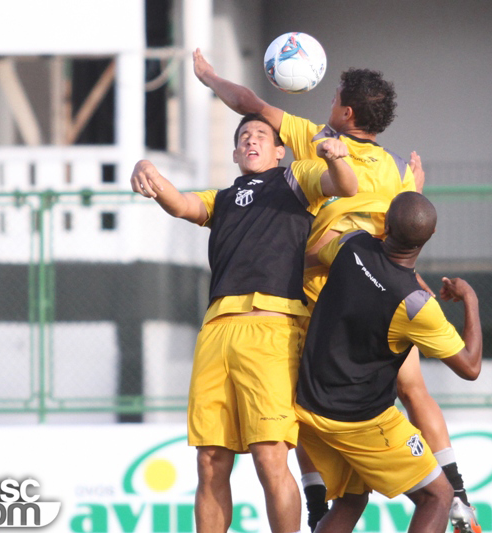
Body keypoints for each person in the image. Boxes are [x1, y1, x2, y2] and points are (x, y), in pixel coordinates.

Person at [193, 50, 480, 533]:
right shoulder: (393, 167)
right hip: (384, 290)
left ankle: (316, 504)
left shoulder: (314, 137)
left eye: (335, 97)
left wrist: (209, 77)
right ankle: (457, 496)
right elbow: (405, 235)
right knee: (412, 387)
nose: (328, 100)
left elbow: (248, 101)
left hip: (322, 285)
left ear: (346, 113)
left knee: (304, 399)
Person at [131, 113, 358, 533]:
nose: (251, 140)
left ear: (278, 150)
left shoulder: (295, 179)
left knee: (270, 454)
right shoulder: (221, 198)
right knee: (210, 460)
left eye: (261, 135)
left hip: (271, 330)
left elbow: (345, 186)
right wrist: (147, 170)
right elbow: (180, 203)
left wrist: (335, 157)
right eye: (243, 137)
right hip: (216, 330)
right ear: (235, 152)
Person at [295, 192, 483, 533]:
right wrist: (470, 297)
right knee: (439, 497)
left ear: (386, 224)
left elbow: (313, 258)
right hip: (359, 420)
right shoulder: (416, 307)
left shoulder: (351, 246)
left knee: (351, 500)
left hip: (308, 404)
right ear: (430, 238)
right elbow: (470, 367)